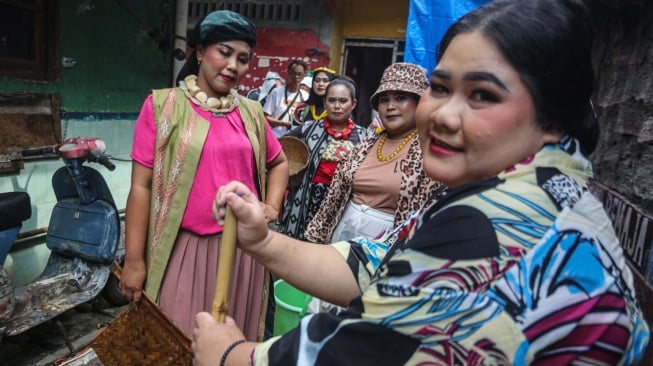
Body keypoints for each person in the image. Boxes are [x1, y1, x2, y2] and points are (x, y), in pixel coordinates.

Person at [194, 0, 650, 365]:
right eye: (441, 87)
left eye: (483, 95)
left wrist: (234, 355)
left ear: (552, 116)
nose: (444, 115)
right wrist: (264, 241)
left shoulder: (499, 225)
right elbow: (377, 262)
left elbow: (357, 350)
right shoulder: (532, 188)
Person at [119, 10, 289, 341]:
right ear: (200, 52)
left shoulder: (251, 113)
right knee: (178, 344)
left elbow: (279, 162)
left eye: (242, 59)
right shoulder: (162, 107)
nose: (233, 66)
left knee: (233, 348)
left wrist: (271, 206)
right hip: (185, 251)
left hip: (244, 255)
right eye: (224, 52)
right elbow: (140, 187)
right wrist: (134, 261)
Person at [306, 62, 441, 244]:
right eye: (384, 100)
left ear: (420, 103)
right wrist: (315, 241)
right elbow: (332, 202)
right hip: (340, 241)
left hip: (388, 250)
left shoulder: (430, 150)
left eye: (400, 98)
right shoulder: (366, 144)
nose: (390, 106)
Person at [277, 76, 370, 240]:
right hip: (304, 203)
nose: (337, 106)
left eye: (343, 101)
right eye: (332, 100)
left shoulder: (365, 137)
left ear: (353, 104)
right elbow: (276, 148)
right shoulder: (307, 129)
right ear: (325, 102)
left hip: (343, 206)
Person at [263, 60, 309, 137]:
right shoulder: (277, 93)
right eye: (293, 73)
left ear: (304, 76)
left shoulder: (305, 96)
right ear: (288, 73)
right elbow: (266, 117)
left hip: (295, 141)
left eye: (299, 74)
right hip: (276, 138)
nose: (296, 77)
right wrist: (284, 124)